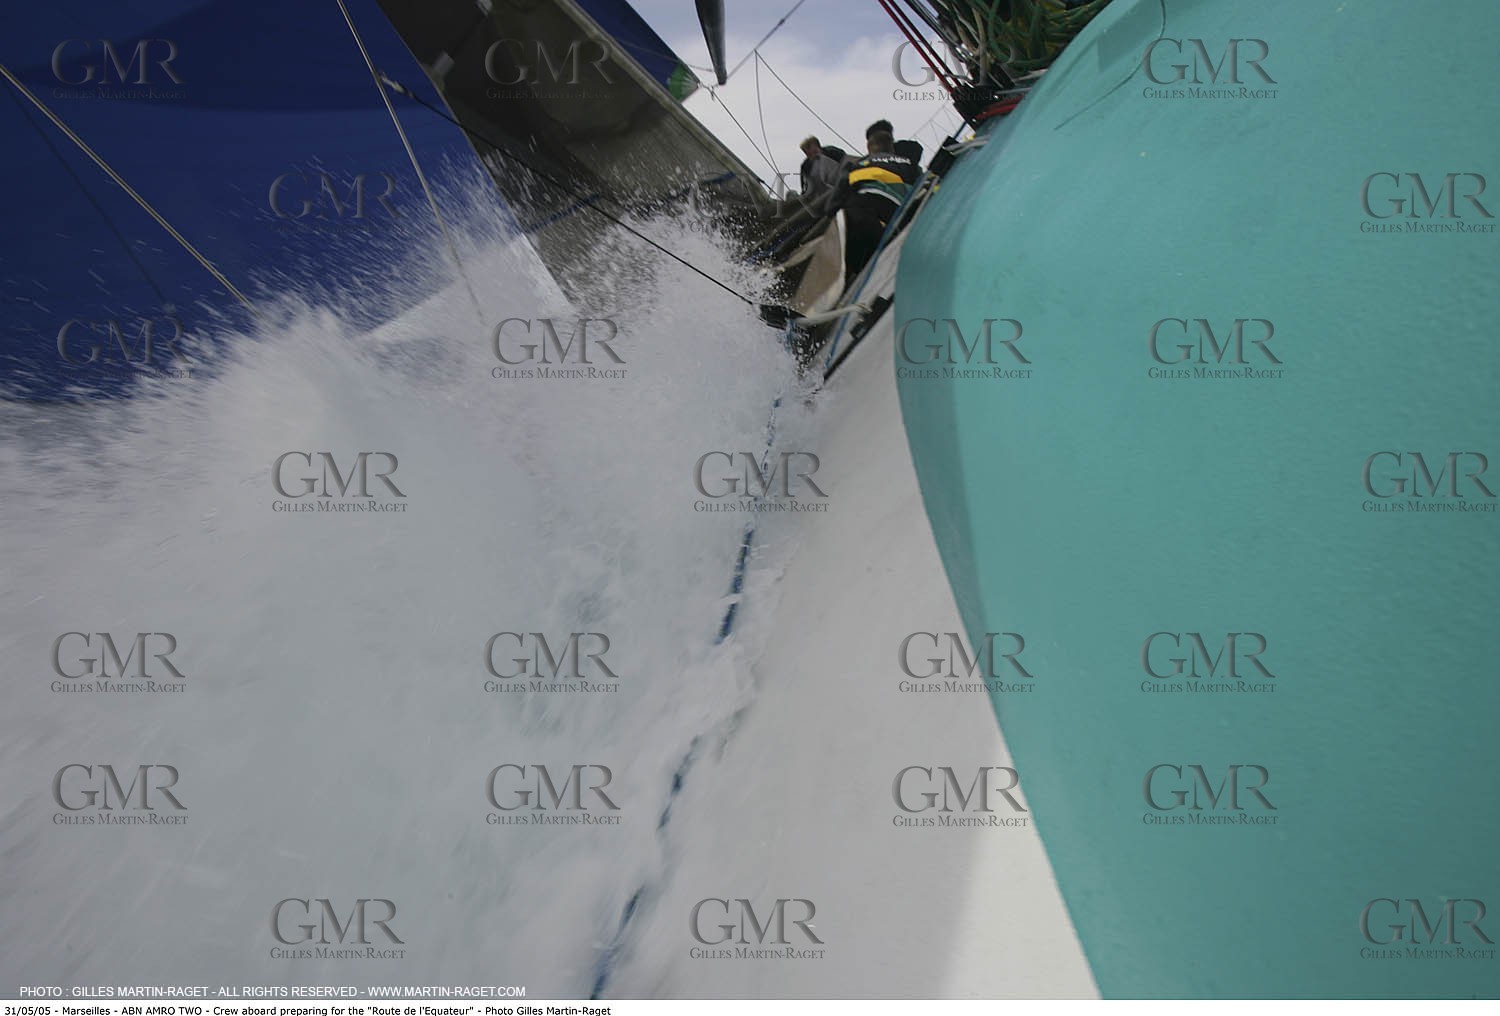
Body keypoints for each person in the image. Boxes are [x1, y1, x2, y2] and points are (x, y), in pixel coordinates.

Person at [825, 130, 919, 282]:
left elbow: (834, 202)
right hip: (893, 224)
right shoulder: (911, 165)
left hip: (860, 216)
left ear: (870, 148)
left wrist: (830, 217)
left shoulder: (859, 164)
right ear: (892, 148)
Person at [797, 136, 844, 208]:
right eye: (807, 154)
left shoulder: (833, 152)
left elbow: (847, 163)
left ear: (817, 146)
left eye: (813, 151)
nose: (812, 155)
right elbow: (806, 186)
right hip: (822, 197)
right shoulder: (806, 166)